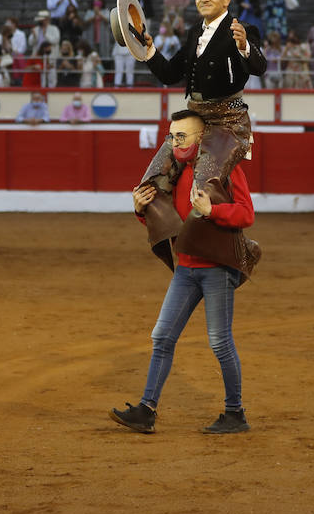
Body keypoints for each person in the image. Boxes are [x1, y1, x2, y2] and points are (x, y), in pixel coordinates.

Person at [112, 108, 261, 436]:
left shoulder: (226, 170)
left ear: (201, 137)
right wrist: (140, 210)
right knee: (162, 337)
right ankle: (147, 410)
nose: (174, 142)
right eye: (171, 136)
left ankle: (235, 413)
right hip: (187, 269)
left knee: (220, 342)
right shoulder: (175, 171)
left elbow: (246, 215)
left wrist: (213, 210)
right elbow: (167, 218)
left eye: (181, 136)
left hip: (217, 268)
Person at [134, 0, 267, 201]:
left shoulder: (242, 30)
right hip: (193, 119)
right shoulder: (195, 32)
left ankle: (226, 237)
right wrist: (149, 51)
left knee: (203, 191)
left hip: (228, 123)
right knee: (152, 185)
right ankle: (168, 238)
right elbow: (170, 73)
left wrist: (244, 45)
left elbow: (259, 66)